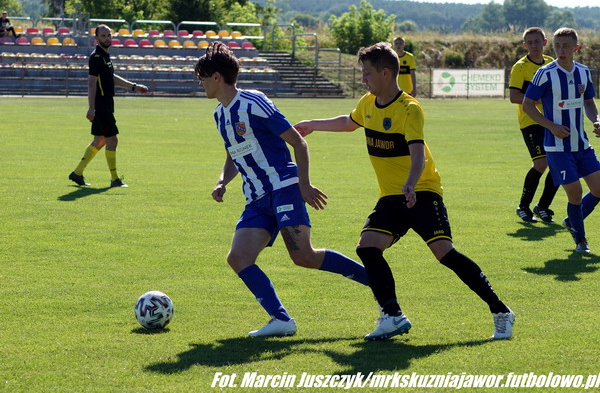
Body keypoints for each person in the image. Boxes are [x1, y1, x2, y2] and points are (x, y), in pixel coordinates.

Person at [294, 42, 514, 341]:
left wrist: (410, 184)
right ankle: (393, 315)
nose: (363, 79)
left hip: (421, 190)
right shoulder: (368, 103)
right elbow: (349, 122)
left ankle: (501, 311)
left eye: (367, 73)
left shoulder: (409, 109)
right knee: (367, 247)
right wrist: (313, 125)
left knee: (444, 253)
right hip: (391, 196)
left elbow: (418, 155)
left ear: (386, 73)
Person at [194, 42, 370, 337]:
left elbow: (298, 142)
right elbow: (233, 153)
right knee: (238, 258)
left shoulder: (254, 102)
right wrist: (222, 181)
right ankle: (281, 320)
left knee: (304, 256)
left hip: (284, 188)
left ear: (216, 77)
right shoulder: (219, 115)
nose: (200, 83)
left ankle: (378, 283)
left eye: (202, 77)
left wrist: (304, 184)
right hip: (256, 198)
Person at [523, 28, 600, 253]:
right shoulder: (545, 73)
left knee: (598, 189)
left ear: (576, 47)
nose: (560, 50)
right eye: (557, 45)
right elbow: (528, 105)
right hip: (557, 148)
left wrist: (597, 120)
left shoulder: (583, 72)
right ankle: (581, 242)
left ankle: (572, 220)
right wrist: (551, 126)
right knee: (575, 192)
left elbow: (589, 102)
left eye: (565, 45)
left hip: (581, 144)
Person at [68, 24, 148, 188]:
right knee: (112, 140)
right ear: (96, 38)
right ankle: (114, 179)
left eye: (109, 35)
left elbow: (111, 77)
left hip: (106, 104)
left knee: (100, 140)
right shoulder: (96, 57)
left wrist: (133, 86)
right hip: (101, 104)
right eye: (103, 36)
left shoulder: (105, 56)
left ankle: (77, 173)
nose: (107, 38)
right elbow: (91, 83)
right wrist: (91, 108)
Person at [510, 27, 559, 223]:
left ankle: (543, 207)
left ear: (545, 42)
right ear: (525, 45)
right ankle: (523, 206)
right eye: (529, 42)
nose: (534, 45)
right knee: (541, 163)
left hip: (552, 121)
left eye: (537, 41)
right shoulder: (520, 67)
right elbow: (514, 96)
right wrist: (537, 100)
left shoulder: (551, 63)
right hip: (530, 121)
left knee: (558, 164)